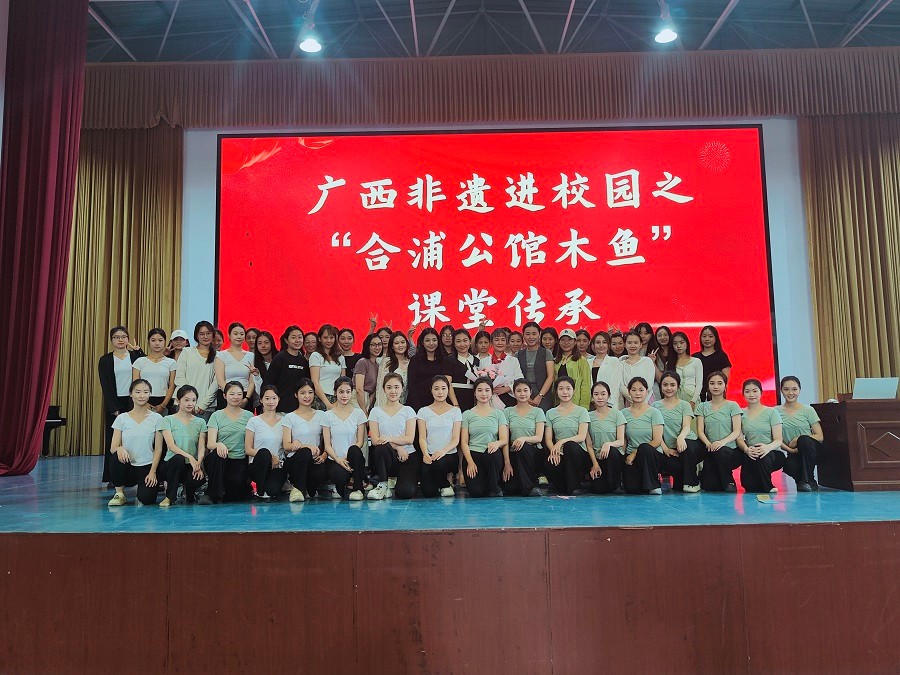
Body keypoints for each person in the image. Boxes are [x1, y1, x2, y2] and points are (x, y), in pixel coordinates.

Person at [98, 326, 145, 483]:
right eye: (116, 337)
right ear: (111, 340)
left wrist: (139, 352)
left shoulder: (135, 357)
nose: (120, 339)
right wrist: (114, 408)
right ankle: (114, 477)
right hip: (115, 403)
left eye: (123, 336)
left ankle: (133, 476)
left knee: (134, 439)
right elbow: (105, 385)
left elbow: (146, 370)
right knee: (114, 440)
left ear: (128, 339)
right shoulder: (105, 360)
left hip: (134, 402)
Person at [107, 379, 163, 506]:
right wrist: (120, 448)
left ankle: (143, 489)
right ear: (131, 394)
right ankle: (120, 493)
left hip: (147, 466)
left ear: (150, 394)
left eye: (145, 392)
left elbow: (158, 449)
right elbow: (113, 447)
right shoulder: (122, 418)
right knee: (115, 457)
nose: (142, 395)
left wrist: (153, 472)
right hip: (127, 466)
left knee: (147, 499)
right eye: (138, 392)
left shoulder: (157, 418)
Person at [367, 373, 419, 500]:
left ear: (402, 389)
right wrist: (397, 447)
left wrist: (390, 439)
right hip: (387, 456)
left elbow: (409, 439)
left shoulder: (408, 410)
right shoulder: (376, 411)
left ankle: (399, 481)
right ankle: (383, 485)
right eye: (389, 387)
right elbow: (375, 440)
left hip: (408, 456)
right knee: (380, 448)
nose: (393, 391)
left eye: (396, 387)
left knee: (405, 493)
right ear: (384, 389)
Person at [153, 385, 207, 506]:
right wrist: (190, 457)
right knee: (178, 458)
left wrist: (198, 463)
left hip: (190, 464)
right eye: (186, 400)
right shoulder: (168, 420)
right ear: (178, 400)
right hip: (171, 464)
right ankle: (169, 497)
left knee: (196, 478)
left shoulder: (200, 422)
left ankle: (190, 494)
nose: (190, 403)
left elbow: (201, 447)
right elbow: (171, 446)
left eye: (193, 400)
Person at [201, 381, 253, 503]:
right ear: (224, 396)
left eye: (239, 394)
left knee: (234, 486)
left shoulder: (249, 416)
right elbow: (210, 444)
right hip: (219, 459)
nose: (236, 397)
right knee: (218, 456)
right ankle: (211, 494)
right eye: (232, 394)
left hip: (239, 459)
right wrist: (218, 444)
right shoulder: (216, 415)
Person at [652, 372, 704, 492]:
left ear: (678, 386)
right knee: (677, 486)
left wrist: (681, 437)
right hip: (668, 448)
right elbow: (655, 432)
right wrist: (665, 449)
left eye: (672, 385)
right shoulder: (655, 406)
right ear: (661, 386)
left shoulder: (684, 405)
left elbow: (686, 426)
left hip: (687, 443)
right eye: (665, 385)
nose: (668, 388)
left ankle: (692, 484)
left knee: (687, 445)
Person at [279, 379, 329, 502]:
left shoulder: (322, 415)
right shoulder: (289, 417)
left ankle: (306, 488)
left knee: (322, 471)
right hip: (295, 460)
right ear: (296, 395)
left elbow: (328, 441)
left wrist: (323, 455)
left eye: (310, 392)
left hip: (314, 460)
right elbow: (286, 446)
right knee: (306, 452)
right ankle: (298, 488)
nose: (307, 396)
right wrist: (305, 446)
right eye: (302, 393)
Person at [543, 377, 594, 495]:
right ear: (556, 391)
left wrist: (561, 442)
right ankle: (563, 487)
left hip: (578, 453)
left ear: (573, 390)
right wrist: (554, 451)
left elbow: (581, 436)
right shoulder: (550, 413)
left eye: (568, 389)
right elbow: (548, 438)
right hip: (560, 453)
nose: (565, 392)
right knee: (550, 461)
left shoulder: (582, 411)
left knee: (570, 446)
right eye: (561, 389)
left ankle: (575, 487)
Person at [321, 377, 369, 500]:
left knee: (354, 449)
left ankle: (358, 488)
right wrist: (338, 459)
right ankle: (342, 486)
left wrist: (347, 458)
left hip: (353, 457)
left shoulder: (358, 413)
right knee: (338, 475)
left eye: (348, 392)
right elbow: (327, 445)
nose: (344, 395)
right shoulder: (327, 415)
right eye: (341, 392)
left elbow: (360, 442)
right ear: (335, 392)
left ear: (351, 393)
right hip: (335, 459)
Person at [460, 377, 508, 498]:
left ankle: (494, 487)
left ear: (492, 393)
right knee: (477, 492)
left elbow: (504, 439)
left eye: (487, 390)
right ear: (474, 393)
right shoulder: (467, 414)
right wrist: (470, 462)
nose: (483, 394)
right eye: (480, 390)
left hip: (491, 454)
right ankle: (487, 484)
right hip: (473, 455)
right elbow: (464, 442)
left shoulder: (499, 413)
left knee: (493, 453)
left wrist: (496, 443)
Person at [696, 371, 743, 492]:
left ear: (725, 386)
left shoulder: (733, 405)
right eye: (712, 383)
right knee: (709, 486)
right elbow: (700, 431)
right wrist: (708, 443)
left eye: (719, 383)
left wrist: (721, 442)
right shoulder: (702, 407)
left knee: (721, 452)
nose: (716, 386)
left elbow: (737, 431)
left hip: (730, 451)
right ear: (708, 386)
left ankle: (729, 481)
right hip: (711, 449)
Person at [417, 376, 463, 498]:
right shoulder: (423, 411)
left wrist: (443, 451)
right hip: (430, 456)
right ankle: (439, 482)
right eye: (436, 388)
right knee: (428, 492)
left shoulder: (455, 411)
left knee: (440, 462)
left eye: (443, 388)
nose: (440, 392)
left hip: (448, 455)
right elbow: (422, 437)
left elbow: (456, 439)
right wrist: (425, 454)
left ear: (448, 390)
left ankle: (445, 485)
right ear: (431, 390)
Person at [738, 379, 785, 493]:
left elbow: (779, 439)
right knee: (749, 486)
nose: (751, 394)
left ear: (761, 392)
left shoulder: (772, 412)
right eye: (747, 391)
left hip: (772, 452)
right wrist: (746, 449)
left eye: (755, 391)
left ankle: (768, 486)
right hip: (751, 452)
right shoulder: (740, 413)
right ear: (743, 394)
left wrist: (767, 448)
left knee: (763, 457)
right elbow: (739, 438)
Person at [778, 376, 823, 492]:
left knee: (803, 439)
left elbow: (819, 436)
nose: (790, 393)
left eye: (794, 389)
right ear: (781, 390)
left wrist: (798, 439)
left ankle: (808, 480)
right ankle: (803, 481)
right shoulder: (775, 412)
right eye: (786, 389)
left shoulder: (808, 410)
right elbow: (776, 438)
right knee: (789, 466)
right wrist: (790, 450)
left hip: (810, 450)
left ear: (799, 390)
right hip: (792, 452)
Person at [501, 379, 545, 497]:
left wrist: (523, 439)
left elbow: (539, 437)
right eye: (519, 391)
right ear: (514, 393)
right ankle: (525, 485)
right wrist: (507, 463)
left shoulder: (538, 411)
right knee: (510, 489)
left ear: (530, 392)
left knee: (523, 447)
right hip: (514, 453)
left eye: (525, 390)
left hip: (533, 451)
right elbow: (505, 439)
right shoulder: (507, 412)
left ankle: (531, 487)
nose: (522, 394)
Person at [621, 377, 665, 494]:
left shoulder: (655, 412)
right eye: (634, 390)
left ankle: (654, 485)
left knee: (644, 447)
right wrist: (624, 456)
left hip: (651, 455)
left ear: (647, 391)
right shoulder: (623, 413)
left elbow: (657, 440)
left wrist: (635, 453)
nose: (637, 393)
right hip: (631, 456)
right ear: (629, 392)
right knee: (632, 489)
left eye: (641, 390)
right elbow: (623, 439)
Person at [245, 385, 286, 500]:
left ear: (278, 399)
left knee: (272, 490)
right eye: (267, 398)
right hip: (258, 465)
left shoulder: (285, 420)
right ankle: (260, 491)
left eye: (274, 398)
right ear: (261, 400)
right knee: (264, 453)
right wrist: (270, 456)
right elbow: (248, 449)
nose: (271, 402)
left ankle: (266, 489)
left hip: (277, 465)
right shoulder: (254, 421)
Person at [585, 381, 625, 494]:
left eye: (603, 394)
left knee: (612, 451)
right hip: (597, 458)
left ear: (609, 395)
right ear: (592, 396)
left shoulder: (617, 414)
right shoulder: (588, 416)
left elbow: (621, 441)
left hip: (614, 457)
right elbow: (589, 444)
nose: (600, 397)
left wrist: (608, 444)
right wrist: (595, 464)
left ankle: (617, 483)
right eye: (596, 394)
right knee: (599, 490)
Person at [174, 321, 218, 420]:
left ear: (213, 335)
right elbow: (180, 377)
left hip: (205, 408)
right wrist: (188, 400)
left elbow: (215, 383)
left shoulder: (218, 356)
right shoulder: (187, 352)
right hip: (183, 404)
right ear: (196, 336)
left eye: (208, 333)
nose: (205, 337)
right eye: (201, 334)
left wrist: (204, 404)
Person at [262, 325, 310, 413]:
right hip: (280, 409)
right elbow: (268, 383)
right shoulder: (280, 358)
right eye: (293, 337)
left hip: (299, 409)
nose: (297, 340)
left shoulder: (303, 361)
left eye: (300, 337)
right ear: (286, 340)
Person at [406, 327, 455, 410]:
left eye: (434, 340)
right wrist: (418, 407)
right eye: (427, 340)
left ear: (438, 341)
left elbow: (447, 383)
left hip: (438, 403)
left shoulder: (444, 360)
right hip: (416, 403)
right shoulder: (415, 359)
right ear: (422, 342)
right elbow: (411, 385)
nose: (431, 343)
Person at [131, 328, 175, 415]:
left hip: (164, 402)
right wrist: (144, 403)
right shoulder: (139, 361)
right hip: (143, 401)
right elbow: (135, 385)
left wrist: (163, 405)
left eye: (160, 340)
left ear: (165, 342)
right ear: (148, 342)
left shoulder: (171, 362)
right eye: (153, 340)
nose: (157, 343)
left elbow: (172, 385)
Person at [214, 322, 256, 410]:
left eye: (242, 334)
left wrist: (246, 398)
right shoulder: (221, 355)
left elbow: (252, 382)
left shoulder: (251, 356)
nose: (239, 337)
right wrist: (231, 395)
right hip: (225, 395)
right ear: (229, 335)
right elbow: (220, 380)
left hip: (245, 396)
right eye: (235, 334)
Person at [517, 321, 555, 412]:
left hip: (543, 394)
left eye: (534, 334)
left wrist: (540, 396)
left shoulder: (546, 353)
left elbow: (550, 376)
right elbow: (516, 377)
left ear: (539, 335)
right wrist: (526, 396)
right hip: (523, 394)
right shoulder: (518, 355)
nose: (531, 337)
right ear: (523, 336)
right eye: (527, 334)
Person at [309, 324, 347, 411]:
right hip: (320, 398)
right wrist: (327, 404)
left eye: (331, 337)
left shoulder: (340, 357)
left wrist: (339, 399)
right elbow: (315, 381)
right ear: (319, 339)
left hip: (338, 398)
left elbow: (343, 380)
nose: (329, 340)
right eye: (325, 338)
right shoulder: (315, 356)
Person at [693, 325, 733, 402]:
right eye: (704, 336)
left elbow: (725, 379)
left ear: (716, 338)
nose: (707, 339)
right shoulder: (695, 357)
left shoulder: (722, 356)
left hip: (715, 395)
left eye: (710, 336)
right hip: (697, 395)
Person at [554, 329, 591, 408]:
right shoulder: (556, 361)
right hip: (558, 404)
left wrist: (584, 406)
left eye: (569, 340)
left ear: (575, 342)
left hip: (575, 404)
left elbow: (585, 384)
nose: (566, 343)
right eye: (563, 340)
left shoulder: (581, 360)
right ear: (559, 342)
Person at [619, 332, 657, 408]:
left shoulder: (647, 361)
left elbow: (649, 384)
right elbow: (621, 386)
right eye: (629, 343)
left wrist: (641, 400)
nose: (633, 345)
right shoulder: (620, 364)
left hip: (648, 400)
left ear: (641, 345)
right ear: (625, 345)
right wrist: (633, 399)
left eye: (636, 343)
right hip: (630, 403)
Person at [488, 329, 524, 407]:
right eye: (497, 340)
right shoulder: (484, 361)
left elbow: (520, 379)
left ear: (507, 343)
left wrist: (507, 388)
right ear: (491, 343)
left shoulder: (513, 360)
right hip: (489, 399)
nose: (500, 343)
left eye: (503, 340)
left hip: (509, 398)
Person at [590, 331, 625, 410]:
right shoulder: (587, 362)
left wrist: (605, 400)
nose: (601, 345)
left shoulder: (614, 361)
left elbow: (614, 385)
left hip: (609, 404)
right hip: (591, 404)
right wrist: (593, 400)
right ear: (593, 345)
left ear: (609, 345)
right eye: (598, 342)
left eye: (604, 342)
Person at [375, 331, 411, 407]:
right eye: (396, 343)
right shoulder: (386, 362)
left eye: (402, 342)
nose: (400, 345)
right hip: (386, 405)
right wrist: (381, 408)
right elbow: (380, 387)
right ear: (392, 346)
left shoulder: (411, 362)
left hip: (404, 405)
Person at [446, 328, 478, 412]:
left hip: (473, 400)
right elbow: (447, 383)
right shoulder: (449, 360)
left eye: (465, 340)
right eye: (458, 341)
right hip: (455, 399)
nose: (462, 344)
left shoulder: (477, 360)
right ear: (454, 344)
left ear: (470, 341)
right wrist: (455, 404)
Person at [672, 331, 703, 406]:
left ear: (687, 343)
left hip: (692, 397)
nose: (678, 346)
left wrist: (693, 401)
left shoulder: (696, 361)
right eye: (675, 343)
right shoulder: (669, 364)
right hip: (675, 399)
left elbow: (699, 384)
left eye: (681, 342)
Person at [353, 333, 383, 412]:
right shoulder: (362, 362)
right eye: (373, 345)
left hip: (367, 401)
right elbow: (359, 389)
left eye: (379, 344)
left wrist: (369, 406)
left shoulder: (378, 365)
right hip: (356, 400)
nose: (377, 347)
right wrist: (363, 410)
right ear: (367, 346)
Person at [252, 330, 278, 405]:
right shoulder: (255, 363)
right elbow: (259, 391)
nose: (263, 346)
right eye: (259, 343)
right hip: (265, 403)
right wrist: (257, 376)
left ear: (271, 344)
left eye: (266, 342)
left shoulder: (280, 359)